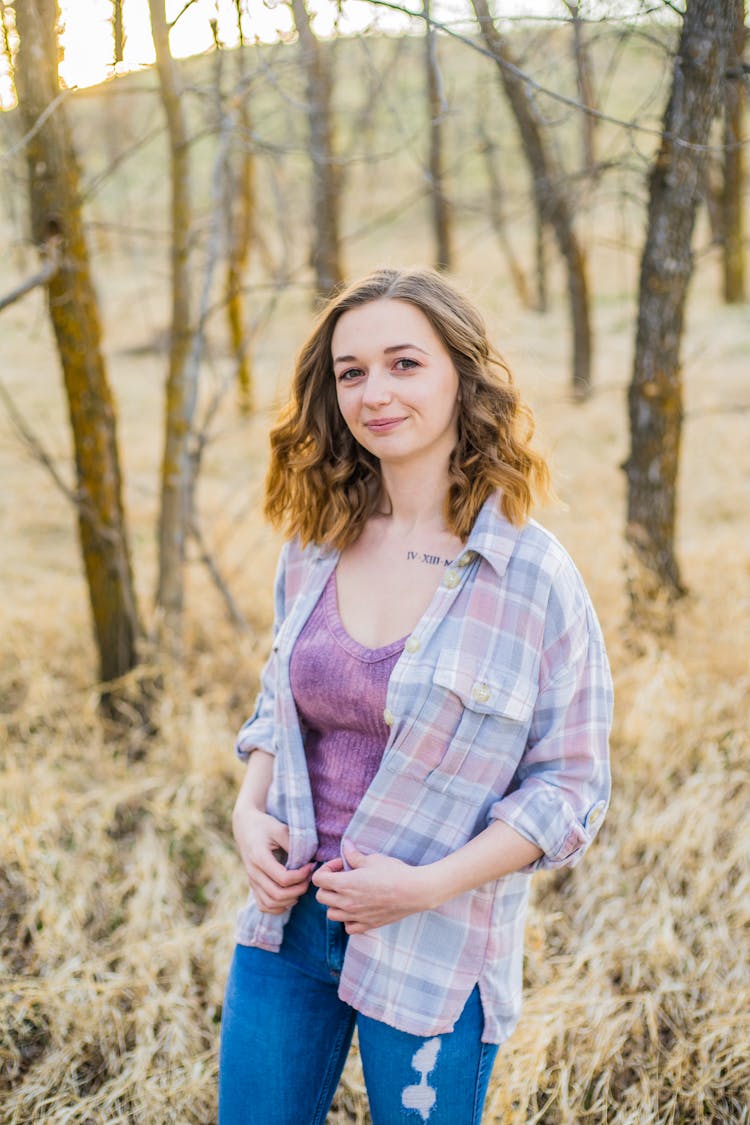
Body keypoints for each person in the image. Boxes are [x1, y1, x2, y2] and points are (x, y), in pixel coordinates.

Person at [218, 267, 613, 1125]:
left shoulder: (531, 575)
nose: (374, 392)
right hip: (285, 931)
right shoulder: (314, 545)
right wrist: (249, 814)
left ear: (461, 378)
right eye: (351, 371)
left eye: (404, 363)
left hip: (434, 943)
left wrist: (425, 885)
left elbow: (571, 789)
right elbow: (275, 713)